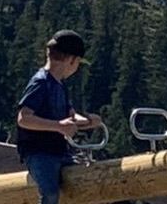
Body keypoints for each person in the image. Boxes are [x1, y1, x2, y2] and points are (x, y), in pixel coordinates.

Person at [16, 30, 104, 204]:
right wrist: (58, 126)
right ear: (71, 60)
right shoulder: (40, 83)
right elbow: (23, 118)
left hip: (59, 151)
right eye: (78, 63)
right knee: (50, 193)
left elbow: (70, 116)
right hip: (39, 152)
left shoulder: (59, 84)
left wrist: (88, 121)